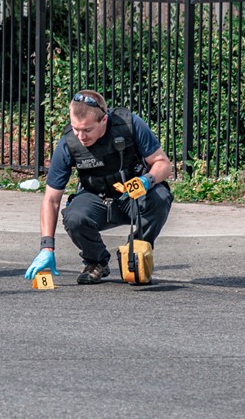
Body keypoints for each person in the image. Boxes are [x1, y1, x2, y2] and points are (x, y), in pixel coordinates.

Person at [24, 90, 174, 285]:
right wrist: (46, 247)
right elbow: (51, 199)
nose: (80, 136)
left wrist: (147, 180)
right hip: (96, 199)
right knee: (74, 216)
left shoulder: (129, 124)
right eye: (75, 128)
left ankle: (135, 253)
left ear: (104, 120)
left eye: (87, 130)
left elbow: (163, 163)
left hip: (132, 195)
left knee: (160, 197)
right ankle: (96, 261)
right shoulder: (68, 143)